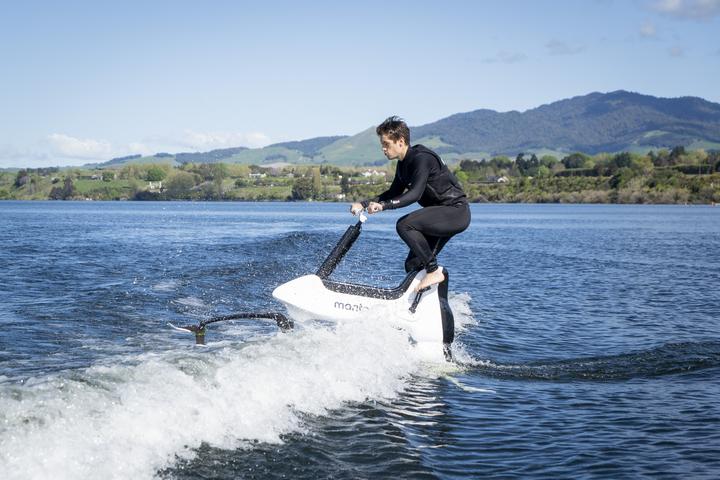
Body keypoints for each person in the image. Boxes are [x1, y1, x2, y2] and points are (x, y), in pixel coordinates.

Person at [350, 116, 471, 292]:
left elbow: (414, 194)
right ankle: (428, 303)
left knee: (405, 225)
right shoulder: (402, 165)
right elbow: (393, 193)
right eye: (382, 145)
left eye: (386, 144)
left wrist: (384, 206)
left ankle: (434, 271)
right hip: (441, 214)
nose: (383, 149)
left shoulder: (422, 159)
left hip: (455, 212)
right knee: (413, 264)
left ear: (400, 141)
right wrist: (364, 203)